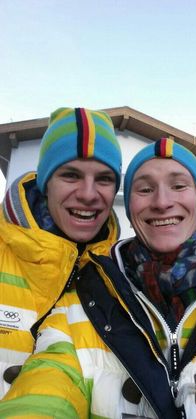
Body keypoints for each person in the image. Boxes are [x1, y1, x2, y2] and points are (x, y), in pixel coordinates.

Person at [0, 138, 196, 419]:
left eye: (179, 185)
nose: (162, 202)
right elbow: (49, 383)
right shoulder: (88, 295)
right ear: (130, 206)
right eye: (145, 189)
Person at [0, 106, 122, 399]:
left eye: (104, 178)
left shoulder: (123, 275)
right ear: (45, 183)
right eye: (70, 175)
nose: (89, 194)